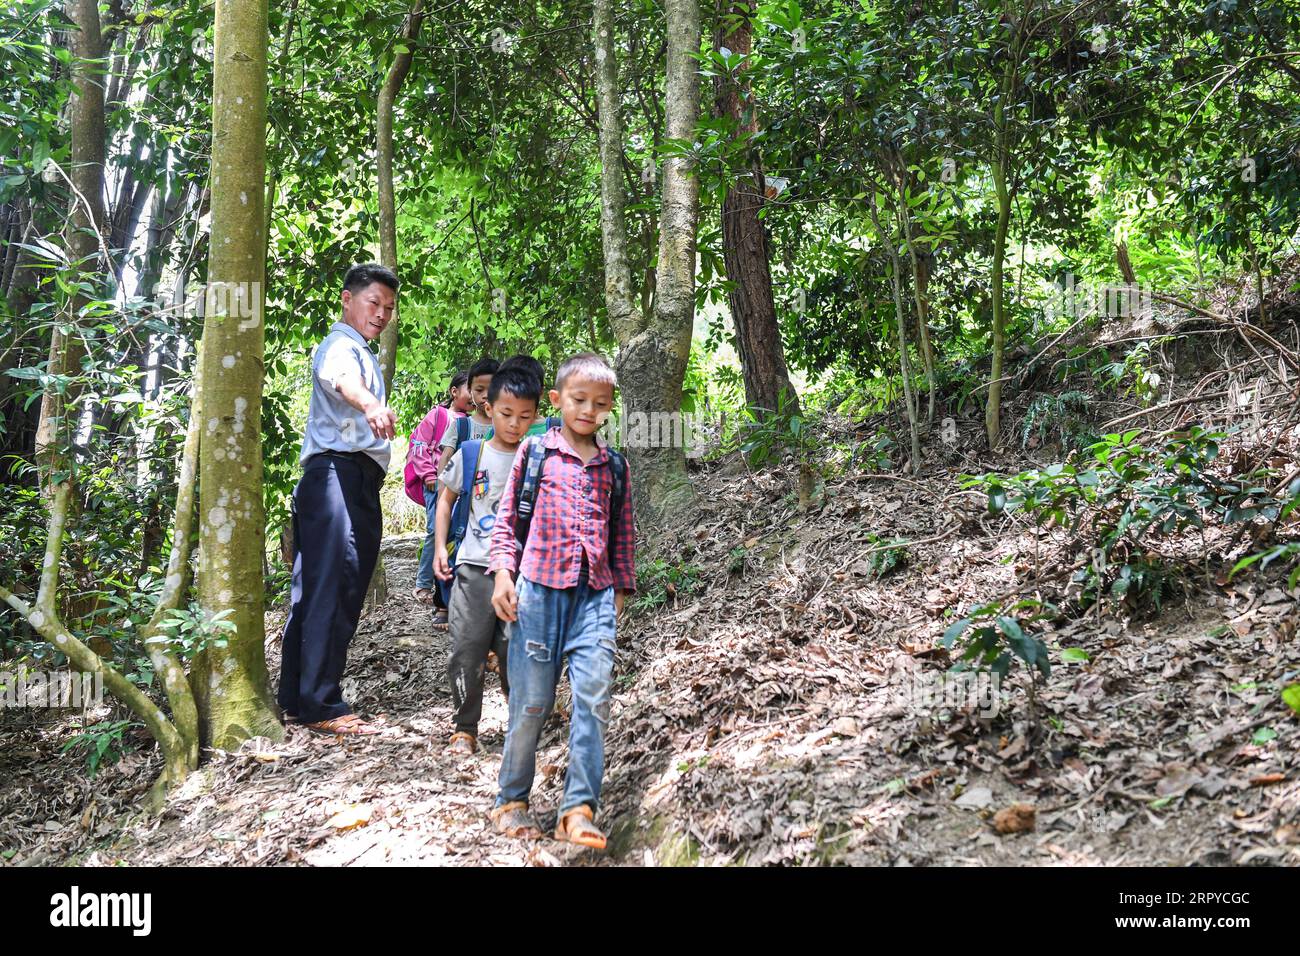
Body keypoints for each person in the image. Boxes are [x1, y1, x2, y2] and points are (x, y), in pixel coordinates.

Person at [486, 352, 636, 849]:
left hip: (594, 597)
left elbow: (622, 536)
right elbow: (507, 524)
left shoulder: (615, 465)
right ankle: (512, 799)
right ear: (556, 400)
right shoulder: (535, 454)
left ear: (610, 408)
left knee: (593, 698)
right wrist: (504, 574)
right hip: (538, 595)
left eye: (600, 404)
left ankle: (578, 809)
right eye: (578, 401)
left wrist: (620, 589)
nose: (588, 411)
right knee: (532, 703)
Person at [278, 263, 399, 736]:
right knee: (339, 584)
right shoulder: (341, 346)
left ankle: (297, 696)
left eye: (389, 308)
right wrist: (370, 404)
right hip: (339, 477)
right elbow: (342, 380)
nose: (382, 314)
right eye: (374, 303)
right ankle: (322, 704)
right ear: (348, 299)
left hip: (333, 477)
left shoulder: (357, 348)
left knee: (313, 591)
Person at [432, 366, 540, 755]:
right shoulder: (471, 452)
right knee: (467, 648)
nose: (515, 424)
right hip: (474, 568)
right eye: (506, 414)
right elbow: (445, 501)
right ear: (487, 407)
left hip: (520, 573)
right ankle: (464, 727)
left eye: (525, 416)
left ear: (536, 415)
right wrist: (441, 548)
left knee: (516, 650)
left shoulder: (537, 459)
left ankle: (521, 724)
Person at [407, 370, 470, 624]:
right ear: (454, 392)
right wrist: (429, 476)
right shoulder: (439, 415)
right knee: (435, 530)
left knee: (456, 533)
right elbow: (419, 445)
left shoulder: (470, 421)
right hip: (435, 482)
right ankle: (423, 583)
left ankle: (450, 588)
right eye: (471, 389)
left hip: (462, 486)